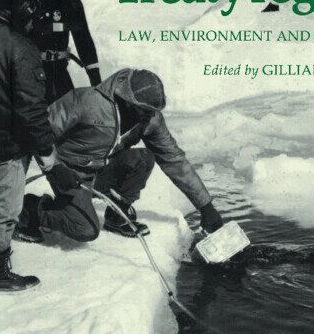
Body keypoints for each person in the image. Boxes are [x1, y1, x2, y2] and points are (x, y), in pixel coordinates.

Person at [15, 68, 223, 244]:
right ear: (129, 101)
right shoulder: (86, 102)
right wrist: (53, 167)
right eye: (145, 110)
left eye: (153, 111)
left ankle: (116, 216)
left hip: (101, 170)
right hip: (69, 173)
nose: (150, 115)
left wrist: (206, 207)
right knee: (85, 229)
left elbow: (173, 159)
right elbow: (36, 133)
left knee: (143, 158)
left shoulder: (151, 119)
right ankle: (31, 211)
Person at [0, 0, 80, 291]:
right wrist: (50, 161)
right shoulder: (21, 48)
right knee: (5, 210)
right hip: (4, 146)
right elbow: (31, 112)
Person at [0, 0, 101, 103]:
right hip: (21, 78)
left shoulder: (72, 2)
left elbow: (84, 41)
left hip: (59, 79)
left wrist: (97, 84)